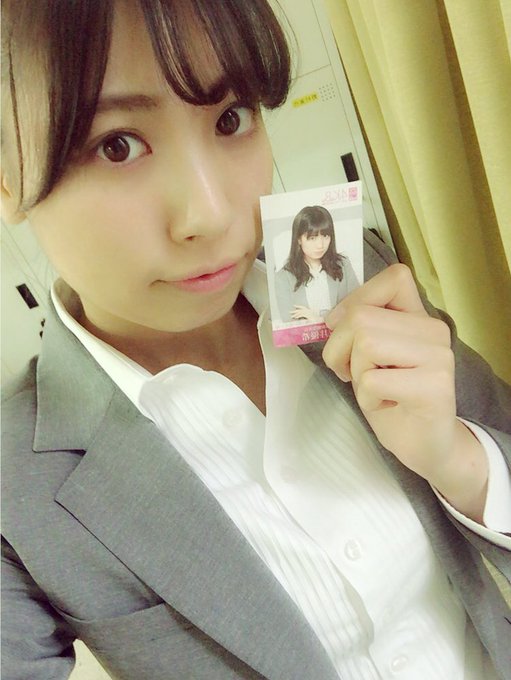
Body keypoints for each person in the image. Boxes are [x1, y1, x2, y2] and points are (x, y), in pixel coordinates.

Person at [1, 1, 510, 679]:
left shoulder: (347, 273)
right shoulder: (16, 477)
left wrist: (459, 461)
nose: (210, 215)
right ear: (9, 181)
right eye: (116, 145)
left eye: (231, 118)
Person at [275, 205, 359, 322]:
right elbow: (289, 322)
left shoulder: (343, 264)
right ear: (299, 239)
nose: (320, 245)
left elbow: (357, 306)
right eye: (312, 238)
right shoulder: (283, 278)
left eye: (325, 236)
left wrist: (318, 319)